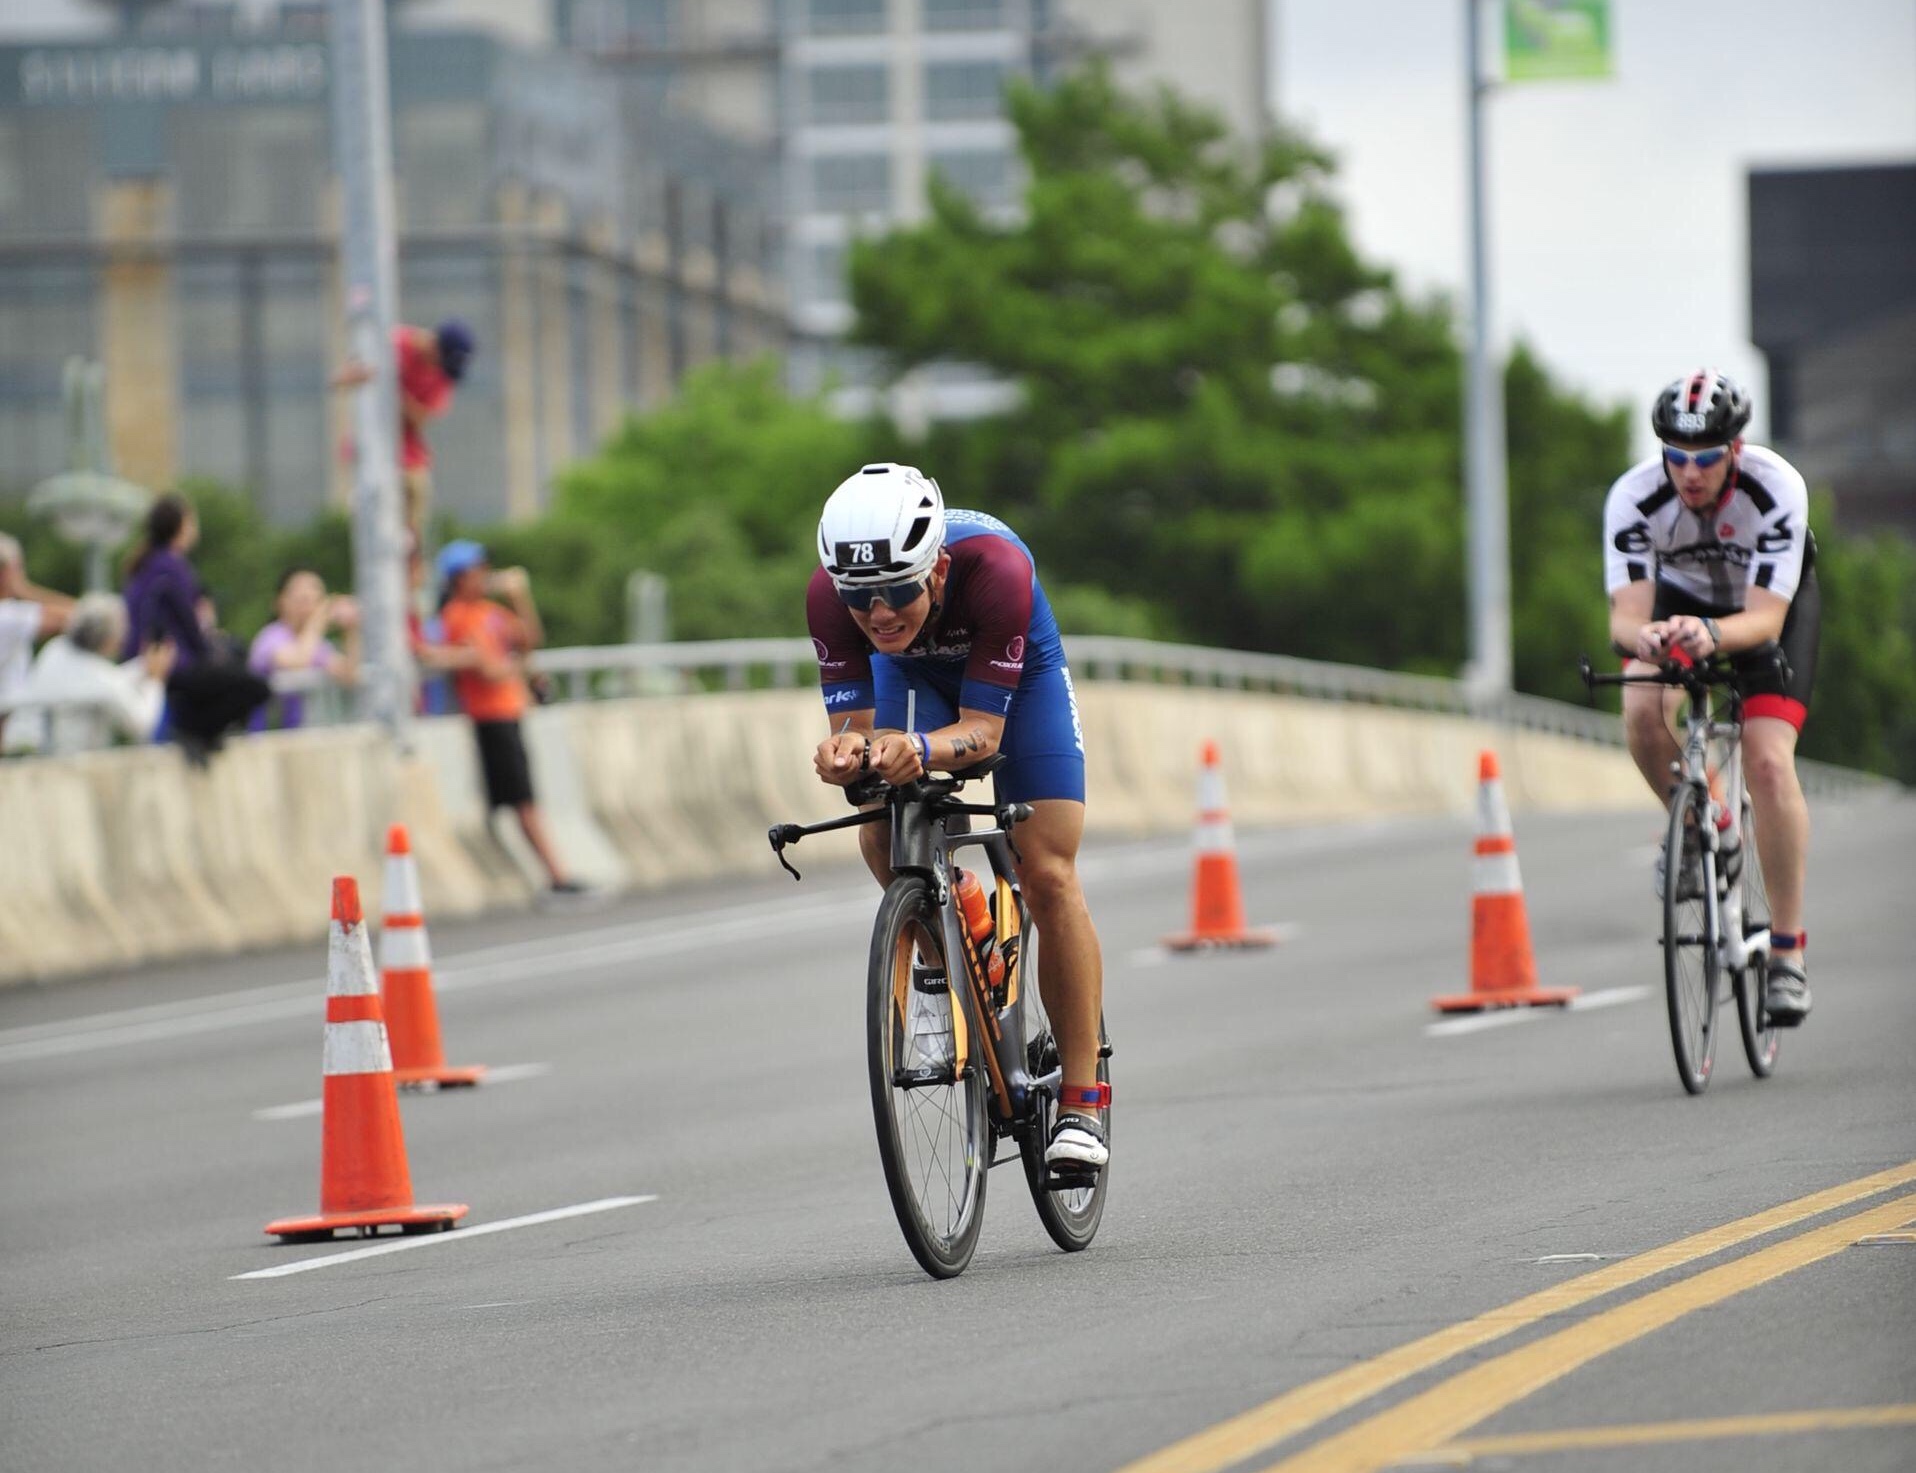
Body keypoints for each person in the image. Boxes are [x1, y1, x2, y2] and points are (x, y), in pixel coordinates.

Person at [805, 463, 1108, 1174]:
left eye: (897, 592)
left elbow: (986, 735)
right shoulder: (830, 595)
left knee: (1049, 874)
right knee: (878, 820)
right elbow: (855, 725)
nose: (879, 613)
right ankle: (948, 947)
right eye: (861, 599)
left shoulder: (996, 568)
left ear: (936, 568)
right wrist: (847, 749)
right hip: (911, 677)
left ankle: (1083, 1099)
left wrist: (917, 745)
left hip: (1014, 678)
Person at [1603, 369, 1819, 1025]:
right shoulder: (1634, 498)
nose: (1688, 473)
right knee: (1641, 710)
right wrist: (1649, 638)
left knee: (1769, 761)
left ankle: (1786, 954)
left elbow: (1766, 621)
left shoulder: (1775, 487)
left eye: (1703, 459)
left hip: (1762, 611)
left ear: (1735, 449)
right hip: (1679, 606)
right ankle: (1705, 823)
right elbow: (1624, 617)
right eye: (1675, 456)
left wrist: (1714, 634)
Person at [435, 538, 585, 898]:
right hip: (490, 716)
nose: (485, 575)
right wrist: (517, 667)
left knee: (525, 795)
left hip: (509, 712)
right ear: (459, 577)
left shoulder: (490, 611)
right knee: (522, 798)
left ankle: (557, 873)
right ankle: (556, 876)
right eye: (477, 569)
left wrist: (519, 597)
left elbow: (529, 639)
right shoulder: (457, 615)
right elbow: (491, 669)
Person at [334, 320, 476, 538]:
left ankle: (410, 558)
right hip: (371, 444)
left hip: (407, 454)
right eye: (441, 361)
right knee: (372, 507)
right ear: (433, 345)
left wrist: (388, 387)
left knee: (415, 502)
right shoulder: (392, 343)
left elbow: (420, 418)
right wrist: (363, 375)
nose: (439, 369)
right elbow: (342, 379)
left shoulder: (441, 377)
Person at [2, 593, 171, 757]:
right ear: (108, 638)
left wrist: (142, 666)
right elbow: (143, 724)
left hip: (21, 752)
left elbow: (107, 678)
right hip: (63, 770)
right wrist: (155, 680)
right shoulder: (101, 681)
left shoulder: (56, 649)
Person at [247, 567, 361, 730]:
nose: (308, 605)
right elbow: (297, 662)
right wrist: (319, 620)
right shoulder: (270, 637)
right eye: (302, 599)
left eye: (315, 599)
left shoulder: (317, 645)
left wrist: (351, 630)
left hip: (303, 736)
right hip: (266, 738)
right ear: (280, 602)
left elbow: (349, 675)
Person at [0, 532, 77, 746]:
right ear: (8, 572)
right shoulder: (9, 616)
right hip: (13, 727)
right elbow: (77, 616)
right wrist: (24, 590)